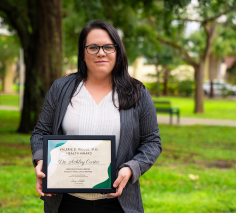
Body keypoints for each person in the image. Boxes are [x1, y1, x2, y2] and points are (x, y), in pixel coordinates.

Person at [30, 20, 162, 213]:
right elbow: (41, 132)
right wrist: (42, 160)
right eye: (93, 47)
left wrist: (132, 168)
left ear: (118, 51)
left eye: (108, 47)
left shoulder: (137, 92)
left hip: (118, 203)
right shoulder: (60, 89)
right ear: (83, 53)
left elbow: (152, 141)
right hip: (67, 202)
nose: (101, 53)